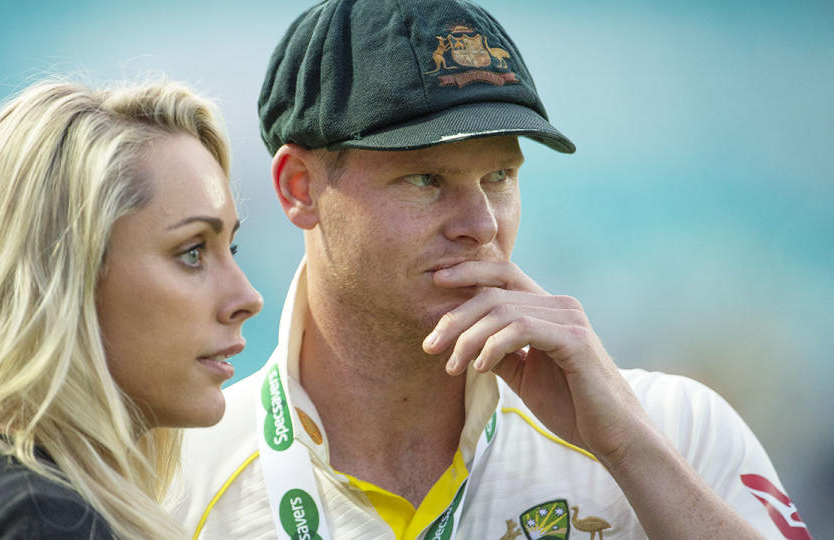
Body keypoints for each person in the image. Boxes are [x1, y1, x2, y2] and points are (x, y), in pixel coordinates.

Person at [172, 0, 812, 538]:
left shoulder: (676, 429)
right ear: (299, 189)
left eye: (499, 175)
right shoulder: (172, 477)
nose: (481, 224)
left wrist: (627, 451)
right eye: (425, 178)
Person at [0, 79, 262, 539]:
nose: (247, 299)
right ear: (63, 276)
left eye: (230, 248)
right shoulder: (36, 518)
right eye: (192, 251)